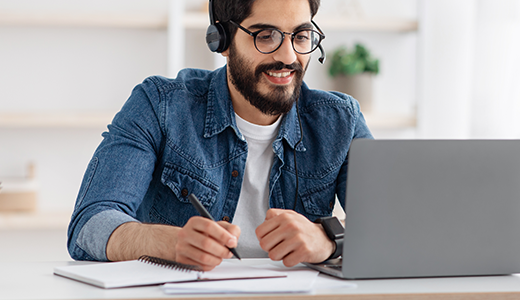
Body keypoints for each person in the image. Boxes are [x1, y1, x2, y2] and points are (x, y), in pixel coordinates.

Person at [67, 0, 372, 271]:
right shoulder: (160, 105)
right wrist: (166, 242)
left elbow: (396, 223)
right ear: (221, 40)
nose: (288, 56)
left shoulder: (341, 119)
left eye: (301, 36)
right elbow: (90, 223)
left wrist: (329, 239)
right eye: (265, 36)